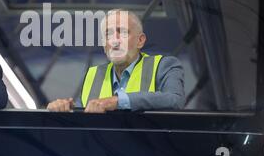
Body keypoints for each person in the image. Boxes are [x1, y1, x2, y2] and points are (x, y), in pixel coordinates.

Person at [47, 9, 185, 113]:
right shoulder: (92, 74)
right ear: (103, 44)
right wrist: (63, 108)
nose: (115, 41)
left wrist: (118, 101)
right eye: (108, 34)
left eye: (123, 32)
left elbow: (175, 100)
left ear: (140, 40)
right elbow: (83, 109)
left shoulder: (164, 65)